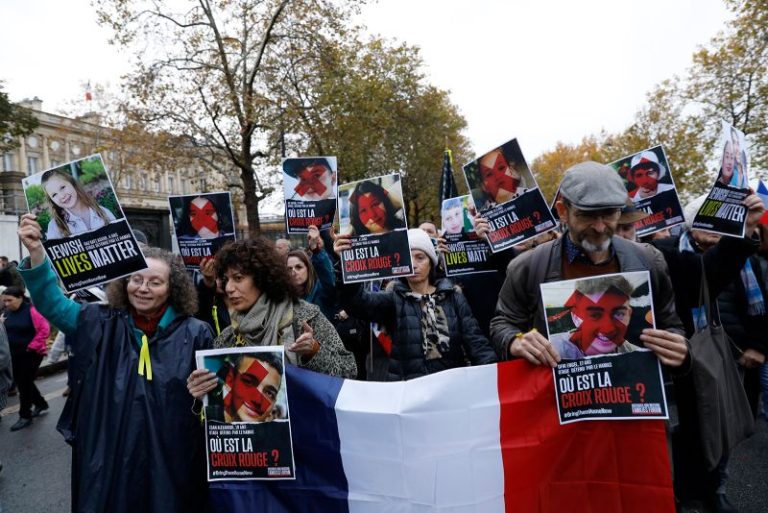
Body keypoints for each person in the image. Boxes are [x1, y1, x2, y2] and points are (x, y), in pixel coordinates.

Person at [16, 213, 213, 513]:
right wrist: (36, 253)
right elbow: (52, 304)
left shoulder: (196, 333)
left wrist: (206, 390)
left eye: (155, 282)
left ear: (173, 288)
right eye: (137, 279)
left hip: (172, 459)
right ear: (125, 282)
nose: (143, 288)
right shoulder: (98, 321)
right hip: (109, 458)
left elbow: (217, 400)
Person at [490, 161, 688, 369]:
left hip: (635, 391)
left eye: (610, 213)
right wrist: (516, 340)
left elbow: (671, 325)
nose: (600, 227)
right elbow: (502, 324)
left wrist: (680, 349)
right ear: (562, 211)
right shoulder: (528, 266)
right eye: (587, 215)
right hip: (557, 394)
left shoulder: (648, 259)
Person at [651, 193, 765, 512]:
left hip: (735, 356)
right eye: (707, 221)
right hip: (689, 359)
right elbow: (702, 277)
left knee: (726, 425)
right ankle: (689, 494)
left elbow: (760, 307)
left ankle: (717, 489)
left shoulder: (744, 257)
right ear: (690, 224)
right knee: (692, 429)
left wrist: (757, 346)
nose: (715, 229)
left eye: (720, 222)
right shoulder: (669, 255)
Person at [187, 238, 357, 400]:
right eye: (226, 280)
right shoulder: (228, 338)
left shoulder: (305, 318)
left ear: (262, 278)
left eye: (238, 278)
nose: (229, 288)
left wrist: (314, 351)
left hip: (306, 427)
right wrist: (202, 391)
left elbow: (347, 373)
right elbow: (221, 407)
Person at [334, 228, 497, 381]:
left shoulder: (453, 296)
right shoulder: (394, 298)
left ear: (431, 262)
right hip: (409, 396)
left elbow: (477, 343)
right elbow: (357, 303)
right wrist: (345, 265)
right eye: (408, 257)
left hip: (452, 390)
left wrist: (494, 378)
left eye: (420, 257)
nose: (413, 264)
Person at [549, 275, 642, 359]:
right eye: (595, 315)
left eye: (619, 314)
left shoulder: (636, 354)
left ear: (629, 315)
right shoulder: (552, 352)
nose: (608, 329)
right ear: (576, 317)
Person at [2, 285, 49, 431]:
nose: (7, 304)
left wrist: (31, 346)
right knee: (24, 382)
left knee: (24, 383)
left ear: (20, 298)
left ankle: (25, 415)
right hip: (14, 354)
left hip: (32, 354)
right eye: (5, 301)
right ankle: (40, 403)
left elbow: (44, 329)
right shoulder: (6, 313)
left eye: (10, 300)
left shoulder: (32, 311)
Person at [41, 168, 117, 240]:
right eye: (54, 195)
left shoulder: (103, 212)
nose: (62, 196)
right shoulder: (54, 227)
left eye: (62, 187)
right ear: (52, 200)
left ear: (72, 183)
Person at [287, 227, 335, 322]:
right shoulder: (284, 296)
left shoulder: (321, 290)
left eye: (298, 267)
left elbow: (329, 280)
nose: (293, 272)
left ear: (308, 269)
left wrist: (316, 250)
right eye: (289, 269)